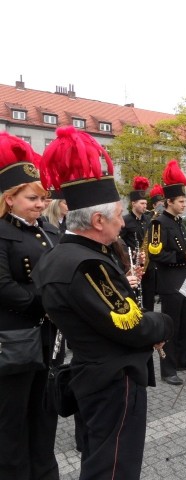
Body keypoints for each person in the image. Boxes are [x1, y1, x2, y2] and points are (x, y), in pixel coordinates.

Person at [33, 126, 172, 479]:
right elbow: (131, 325)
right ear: (97, 221)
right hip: (113, 378)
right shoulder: (88, 264)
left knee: (98, 458)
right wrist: (163, 323)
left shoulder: (61, 255)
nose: (120, 223)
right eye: (115, 216)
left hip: (92, 370)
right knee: (113, 467)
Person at [0, 133, 60, 480]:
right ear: (9, 199)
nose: (40, 204)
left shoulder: (50, 231)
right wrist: (44, 303)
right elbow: (3, 286)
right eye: (33, 198)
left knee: (44, 410)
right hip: (14, 336)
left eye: (43, 198)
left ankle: (44, 471)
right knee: (12, 417)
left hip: (48, 335)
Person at [148, 160, 186, 385]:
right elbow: (156, 255)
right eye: (181, 201)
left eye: (185, 201)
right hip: (170, 282)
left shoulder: (180, 222)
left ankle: (184, 360)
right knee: (170, 327)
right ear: (169, 201)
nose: (184, 205)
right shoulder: (158, 224)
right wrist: (182, 256)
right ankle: (168, 369)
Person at [120, 176, 156, 312]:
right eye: (141, 203)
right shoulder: (125, 220)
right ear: (133, 203)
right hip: (134, 266)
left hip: (149, 265)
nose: (145, 206)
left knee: (149, 297)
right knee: (135, 297)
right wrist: (132, 252)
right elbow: (120, 243)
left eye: (145, 203)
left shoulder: (148, 219)